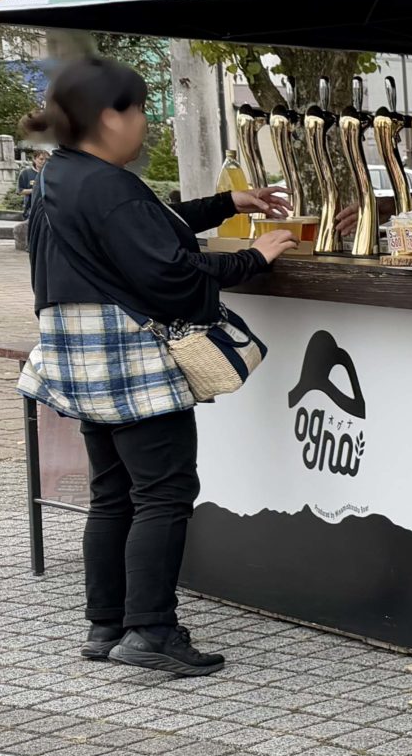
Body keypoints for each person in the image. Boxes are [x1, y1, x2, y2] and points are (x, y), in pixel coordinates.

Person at [21, 56, 294, 675]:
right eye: (140, 109)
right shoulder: (107, 186)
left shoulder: (59, 174)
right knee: (163, 493)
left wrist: (225, 202)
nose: (146, 121)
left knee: (112, 493)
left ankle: (106, 624)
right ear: (107, 117)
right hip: (129, 362)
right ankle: (151, 631)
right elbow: (170, 272)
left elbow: (144, 228)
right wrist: (253, 258)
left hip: (79, 358)